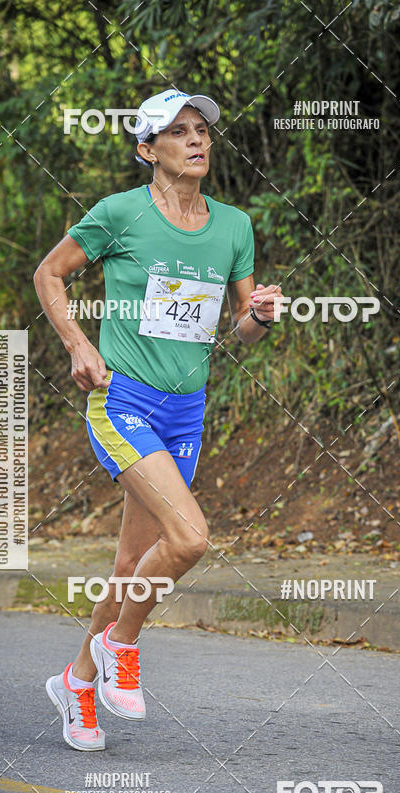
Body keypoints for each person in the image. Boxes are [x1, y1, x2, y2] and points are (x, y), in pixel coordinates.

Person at [34, 88, 283, 751]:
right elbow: (49, 274)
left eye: (202, 130)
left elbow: (239, 329)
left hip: (186, 412)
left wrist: (257, 316)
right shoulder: (120, 214)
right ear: (148, 150)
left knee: (128, 563)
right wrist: (79, 344)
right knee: (191, 537)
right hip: (124, 405)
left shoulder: (234, 225)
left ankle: (77, 684)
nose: (197, 140)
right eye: (179, 132)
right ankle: (124, 645)